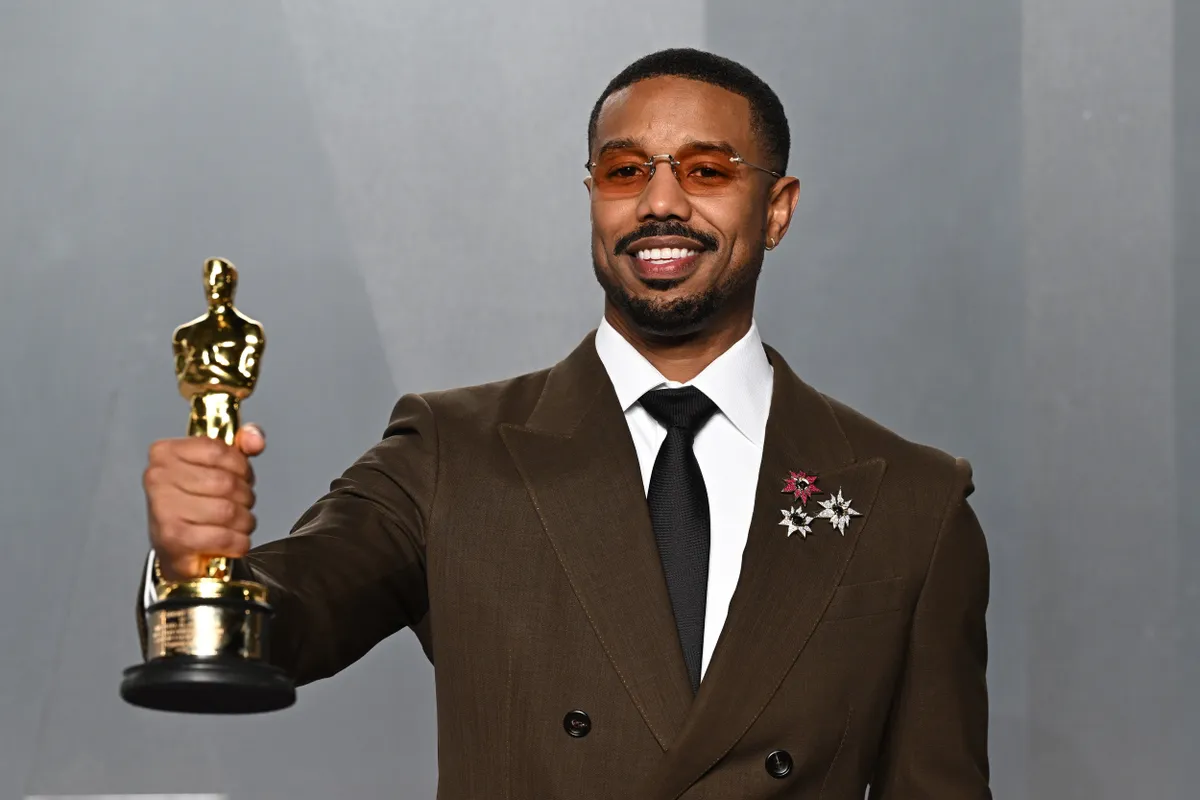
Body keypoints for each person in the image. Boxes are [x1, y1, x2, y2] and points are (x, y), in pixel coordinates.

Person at [139, 48, 991, 799]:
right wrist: (196, 567)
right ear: (592, 198)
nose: (660, 202)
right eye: (625, 171)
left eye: (706, 171)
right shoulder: (450, 452)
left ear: (777, 207)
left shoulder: (912, 502)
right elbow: (292, 614)